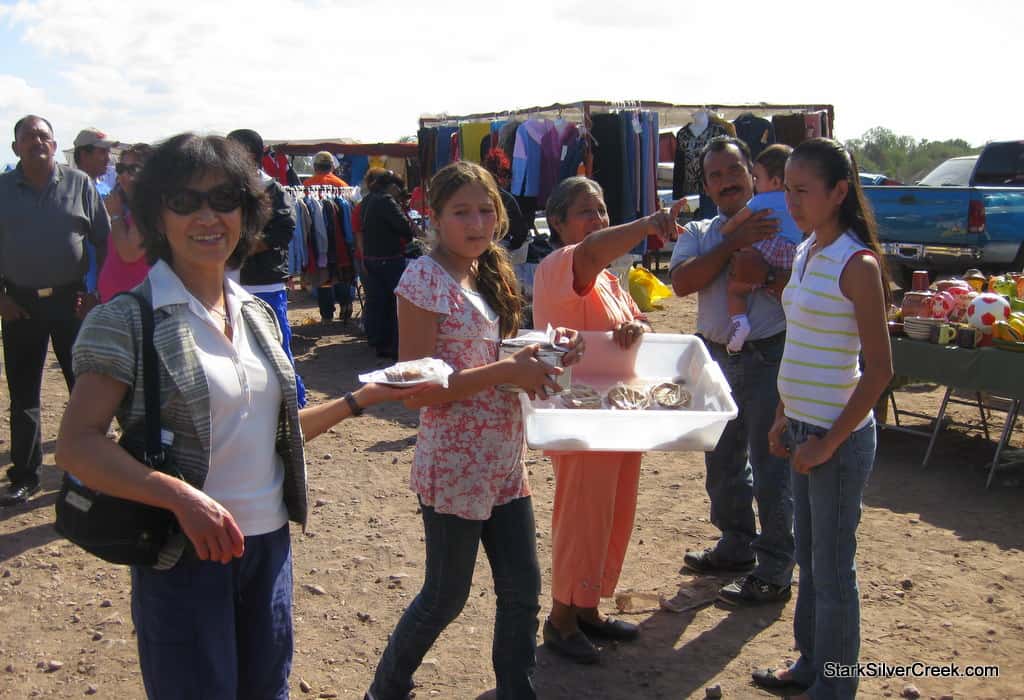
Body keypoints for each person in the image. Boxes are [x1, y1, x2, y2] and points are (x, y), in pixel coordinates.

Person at [55, 133, 423, 698]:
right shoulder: (127, 319)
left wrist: (361, 400)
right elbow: (78, 446)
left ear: (246, 211)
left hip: (267, 547)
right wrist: (180, 497)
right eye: (185, 201)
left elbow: (270, 431)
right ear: (157, 214)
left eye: (224, 198)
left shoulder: (256, 313)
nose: (207, 215)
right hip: (183, 557)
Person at [366, 161, 583, 700]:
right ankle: (386, 689)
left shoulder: (486, 269)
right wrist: (509, 371)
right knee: (445, 595)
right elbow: (416, 388)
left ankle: (518, 691)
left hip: (503, 457)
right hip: (456, 462)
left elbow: (493, 352)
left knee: (522, 592)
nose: (477, 222)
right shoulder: (423, 278)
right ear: (434, 217)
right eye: (461, 212)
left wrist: (546, 349)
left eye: (486, 210)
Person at [752, 138, 893, 700]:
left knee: (833, 571)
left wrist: (829, 442)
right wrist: (785, 414)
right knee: (810, 560)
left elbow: (879, 370)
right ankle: (810, 665)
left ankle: (835, 687)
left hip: (837, 439)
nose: (792, 201)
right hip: (804, 430)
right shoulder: (808, 249)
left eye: (802, 190)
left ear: (839, 192)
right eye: (786, 189)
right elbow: (803, 342)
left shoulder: (857, 264)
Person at [532, 177, 683, 664]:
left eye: (601, 209)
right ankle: (559, 619)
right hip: (579, 419)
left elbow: (638, 324)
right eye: (583, 211)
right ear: (557, 223)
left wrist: (636, 327)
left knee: (613, 514)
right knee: (581, 515)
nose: (596, 219)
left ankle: (588, 607)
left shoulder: (611, 281)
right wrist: (651, 223)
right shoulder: (560, 266)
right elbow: (594, 250)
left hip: (618, 415)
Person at [669, 135, 795, 606]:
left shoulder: (781, 224)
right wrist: (731, 243)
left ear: (753, 175)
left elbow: (799, 286)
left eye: (733, 171)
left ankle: (776, 568)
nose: (725, 182)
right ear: (706, 184)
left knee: (770, 464)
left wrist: (761, 269)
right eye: (715, 175)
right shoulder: (700, 233)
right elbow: (682, 283)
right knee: (722, 462)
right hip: (715, 357)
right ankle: (736, 546)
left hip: (769, 355)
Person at [0, 115, 109, 506]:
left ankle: (90, 471)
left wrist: (97, 292)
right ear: (15, 148)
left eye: (43, 136)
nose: (37, 142)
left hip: (72, 302)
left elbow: (104, 241)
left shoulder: (79, 184)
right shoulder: (2, 189)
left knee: (85, 390)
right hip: (19, 306)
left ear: (53, 142)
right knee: (24, 394)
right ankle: (25, 477)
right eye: (28, 138)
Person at [226, 129, 306, 406]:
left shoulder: (273, 190)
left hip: (263, 284)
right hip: (226, 282)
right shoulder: (224, 190)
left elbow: (283, 231)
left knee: (275, 345)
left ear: (249, 154)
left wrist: (238, 247)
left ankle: (293, 405)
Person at [722, 144, 803, 352]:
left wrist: (727, 231)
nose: (754, 183)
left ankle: (740, 323)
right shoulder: (796, 202)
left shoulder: (760, 200)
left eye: (757, 178)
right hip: (791, 254)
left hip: (765, 247)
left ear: (775, 181)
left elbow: (732, 226)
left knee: (735, 288)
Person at [360, 170, 416, 358]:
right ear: (393, 187)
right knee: (395, 304)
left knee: (377, 302)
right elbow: (405, 228)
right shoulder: (386, 200)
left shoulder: (368, 200)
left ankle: (378, 342)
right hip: (389, 259)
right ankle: (393, 346)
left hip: (371, 258)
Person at [97, 143, 153, 302]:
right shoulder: (131, 206)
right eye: (121, 168)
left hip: (136, 306)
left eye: (133, 169)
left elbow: (129, 253)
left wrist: (115, 215)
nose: (125, 176)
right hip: (118, 303)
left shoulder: (148, 207)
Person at [73, 127, 119, 307]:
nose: (109, 158)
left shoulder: (107, 190)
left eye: (109, 151)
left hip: (106, 283)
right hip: (82, 289)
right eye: (102, 152)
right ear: (84, 154)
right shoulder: (70, 191)